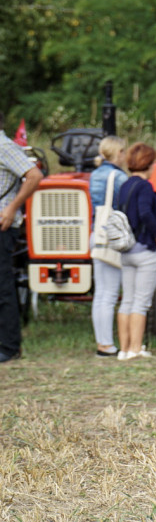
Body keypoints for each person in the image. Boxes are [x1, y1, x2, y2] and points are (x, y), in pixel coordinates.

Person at [0, 110, 44, 363]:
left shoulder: (4, 147)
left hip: (3, 226)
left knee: (3, 287)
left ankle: (9, 346)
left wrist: (11, 207)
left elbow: (34, 175)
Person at [117, 142, 156, 361]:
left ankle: (124, 349)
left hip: (126, 250)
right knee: (141, 302)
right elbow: (146, 213)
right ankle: (136, 348)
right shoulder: (145, 186)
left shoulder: (125, 185)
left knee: (127, 299)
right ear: (149, 163)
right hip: (145, 248)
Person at [89, 135, 128, 357]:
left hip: (98, 232)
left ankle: (102, 341)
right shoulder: (118, 176)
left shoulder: (95, 175)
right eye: (123, 152)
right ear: (117, 153)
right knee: (110, 293)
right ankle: (106, 344)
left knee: (101, 292)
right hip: (112, 236)